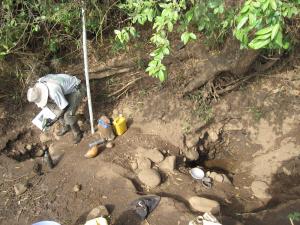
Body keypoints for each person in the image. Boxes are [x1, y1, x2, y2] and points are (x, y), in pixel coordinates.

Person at [27, 74, 86, 144]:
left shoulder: (53, 92)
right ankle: (66, 126)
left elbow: (64, 107)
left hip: (78, 89)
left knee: (67, 116)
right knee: (55, 109)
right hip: (67, 89)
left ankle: (78, 133)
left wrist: (54, 120)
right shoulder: (40, 82)